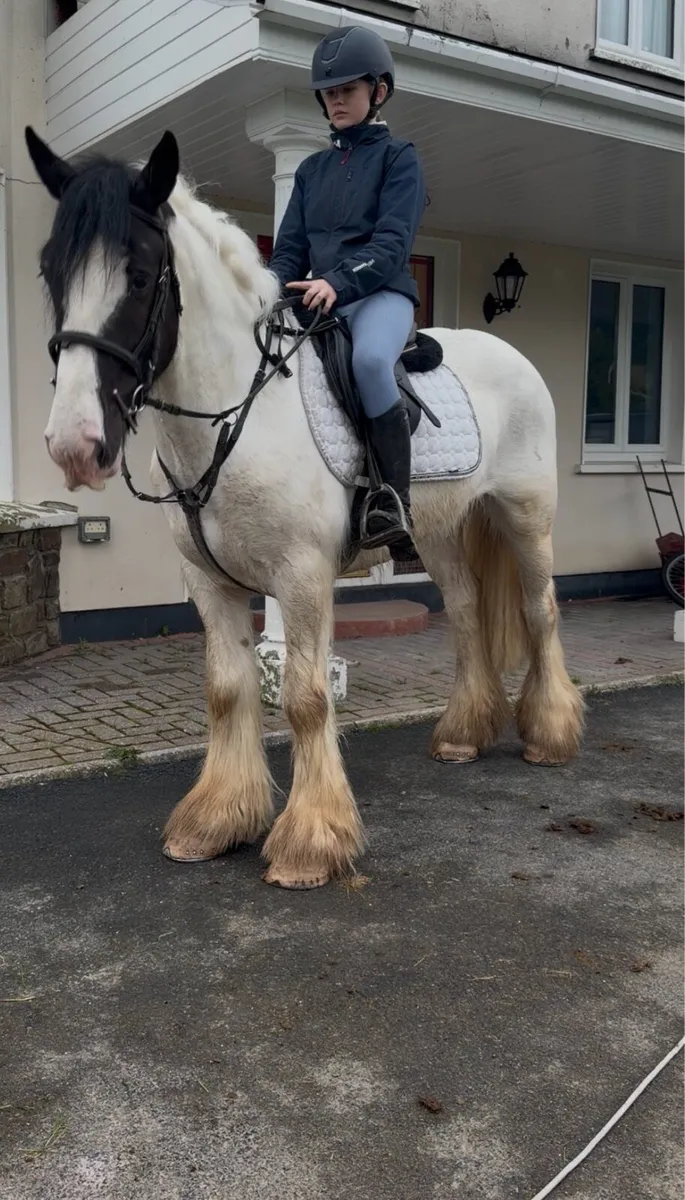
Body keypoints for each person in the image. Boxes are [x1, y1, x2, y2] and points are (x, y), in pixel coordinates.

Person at [268, 26, 427, 557]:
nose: (336, 100)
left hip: (379, 293)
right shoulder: (310, 170)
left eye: (347, 90)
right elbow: (289, 252)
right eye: (329, 92)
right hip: (320, 296)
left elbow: (392, 245)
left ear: (378, 91)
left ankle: (393, 503)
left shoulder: (399, 158)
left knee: (371, 362)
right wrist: (265, 291)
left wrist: (337, 281)